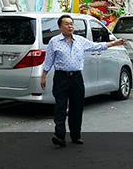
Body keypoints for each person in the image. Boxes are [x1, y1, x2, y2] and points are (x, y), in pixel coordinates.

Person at [41, 14, 125, 147]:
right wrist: (44, 75)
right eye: (67, 24)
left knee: (77, 107)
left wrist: (114, 43)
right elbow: (49, 60)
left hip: (76, 78)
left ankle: (76, 135)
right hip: (61, 77)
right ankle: (59, 135)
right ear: (60, 27)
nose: (70, 26)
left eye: (71, 24)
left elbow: (97, 46)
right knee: (60, 106)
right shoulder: (54, 41)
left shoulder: (80, 40)